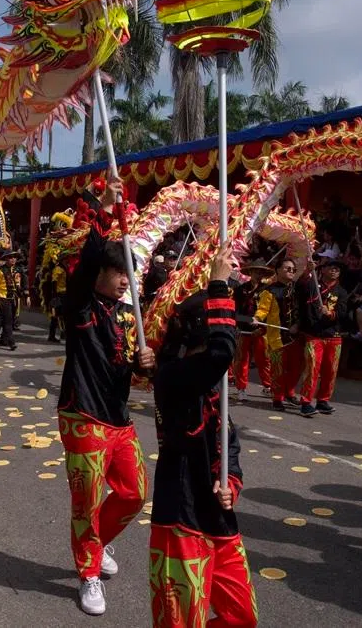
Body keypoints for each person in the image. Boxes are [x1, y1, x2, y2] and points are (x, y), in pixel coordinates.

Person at [58, 175, 155, 616]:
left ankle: (98, 545)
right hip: (83, 417)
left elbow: (124, 367)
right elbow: (90, 258)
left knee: (134, 493)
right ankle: (88, 573)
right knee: (87, 499)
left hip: (118, 419)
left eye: (129, 274)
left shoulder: (122, 315)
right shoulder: (79, 306)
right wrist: (102, 206)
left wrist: (142, 366)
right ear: (99, 274)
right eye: (119, 273)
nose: (125, 282)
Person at [150, 245, 257, 628]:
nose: (236, 342)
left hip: (218, 514)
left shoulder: (217, 389)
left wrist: (230, 484)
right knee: (181, 620)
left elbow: (231, 449)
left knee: (241, 617)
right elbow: (222, 353)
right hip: (182, 512)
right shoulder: (175, 377)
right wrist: (217, 285)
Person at [297, 258, 348, 417]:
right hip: (315, 335)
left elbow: (343, 313)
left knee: (330, 371)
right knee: (312, 369)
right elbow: (300, 288)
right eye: (331, 268)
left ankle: (323, 400)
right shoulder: (313, 286)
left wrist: (330, 314)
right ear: (323, 270)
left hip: (334, 336)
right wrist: (307, 271)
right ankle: (306, 402)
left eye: (337, 269)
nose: (334, 271)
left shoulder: (342, 292)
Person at [254, 258, 302, 411]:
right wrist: (257, 318)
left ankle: (289, 392)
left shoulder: (299, 289)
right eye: (287, 268)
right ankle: (277, 397)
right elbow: (263, 309)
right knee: (278, 369)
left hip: (297, 335)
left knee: (296, 368)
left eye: (293, 270)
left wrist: (298, 325)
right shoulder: (269, 291)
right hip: (277, 337)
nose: (291, 272)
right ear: (278, 270)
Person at [230, 259, 273, 401]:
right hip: (244, 330)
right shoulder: (240, 290)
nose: (258, 274)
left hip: (261, 331)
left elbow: (269, 311)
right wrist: (247, 321)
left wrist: (260, 324)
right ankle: (241, 389)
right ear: (250, 272)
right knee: (242, 360)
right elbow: (235, 311)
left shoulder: (267, 290)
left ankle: (267, 386)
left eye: (261, 272)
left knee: (264, 359)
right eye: (256, 271)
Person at [48, 255, 68, 343]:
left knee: (63, 315)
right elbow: (54, 282)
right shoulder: (58, 269)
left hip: (64, 294)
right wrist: (55, 295)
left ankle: (63, 333)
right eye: (65, 259)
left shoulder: (64, 268)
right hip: (59, 294)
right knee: (55, 316)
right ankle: (51, 335)